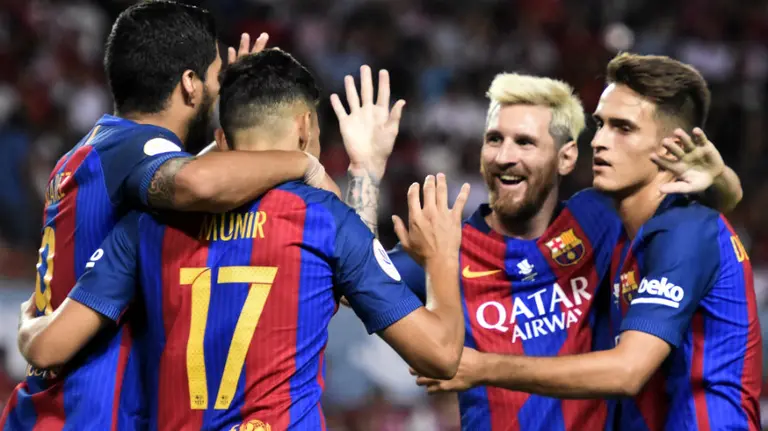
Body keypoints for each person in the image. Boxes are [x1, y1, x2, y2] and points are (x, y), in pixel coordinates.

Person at [14, 49, 470, 431]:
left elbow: (50, 348)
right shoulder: (325, 222)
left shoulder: (146, 223)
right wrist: (440, 256)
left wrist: (30, 329)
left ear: (219, 137)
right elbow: (441, 355)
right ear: (306, 128)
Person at [332, 66, 744, 430]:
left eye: (525, 142)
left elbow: (692, 214)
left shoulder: (599, 217)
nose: (505, 156)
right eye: (495, 139)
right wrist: (365, 168)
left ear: (566, 158)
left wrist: (722, 177)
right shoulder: (449, 247)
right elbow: (356, 285)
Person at [0, 2, 336, 430]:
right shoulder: (135, 150)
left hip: (47, 409)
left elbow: (184, 176)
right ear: (190, 85)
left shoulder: (91, 151)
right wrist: (298, 163)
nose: (218, 89)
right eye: (216, 77)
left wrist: (241, 124)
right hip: (91, 415)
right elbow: (195, 183)